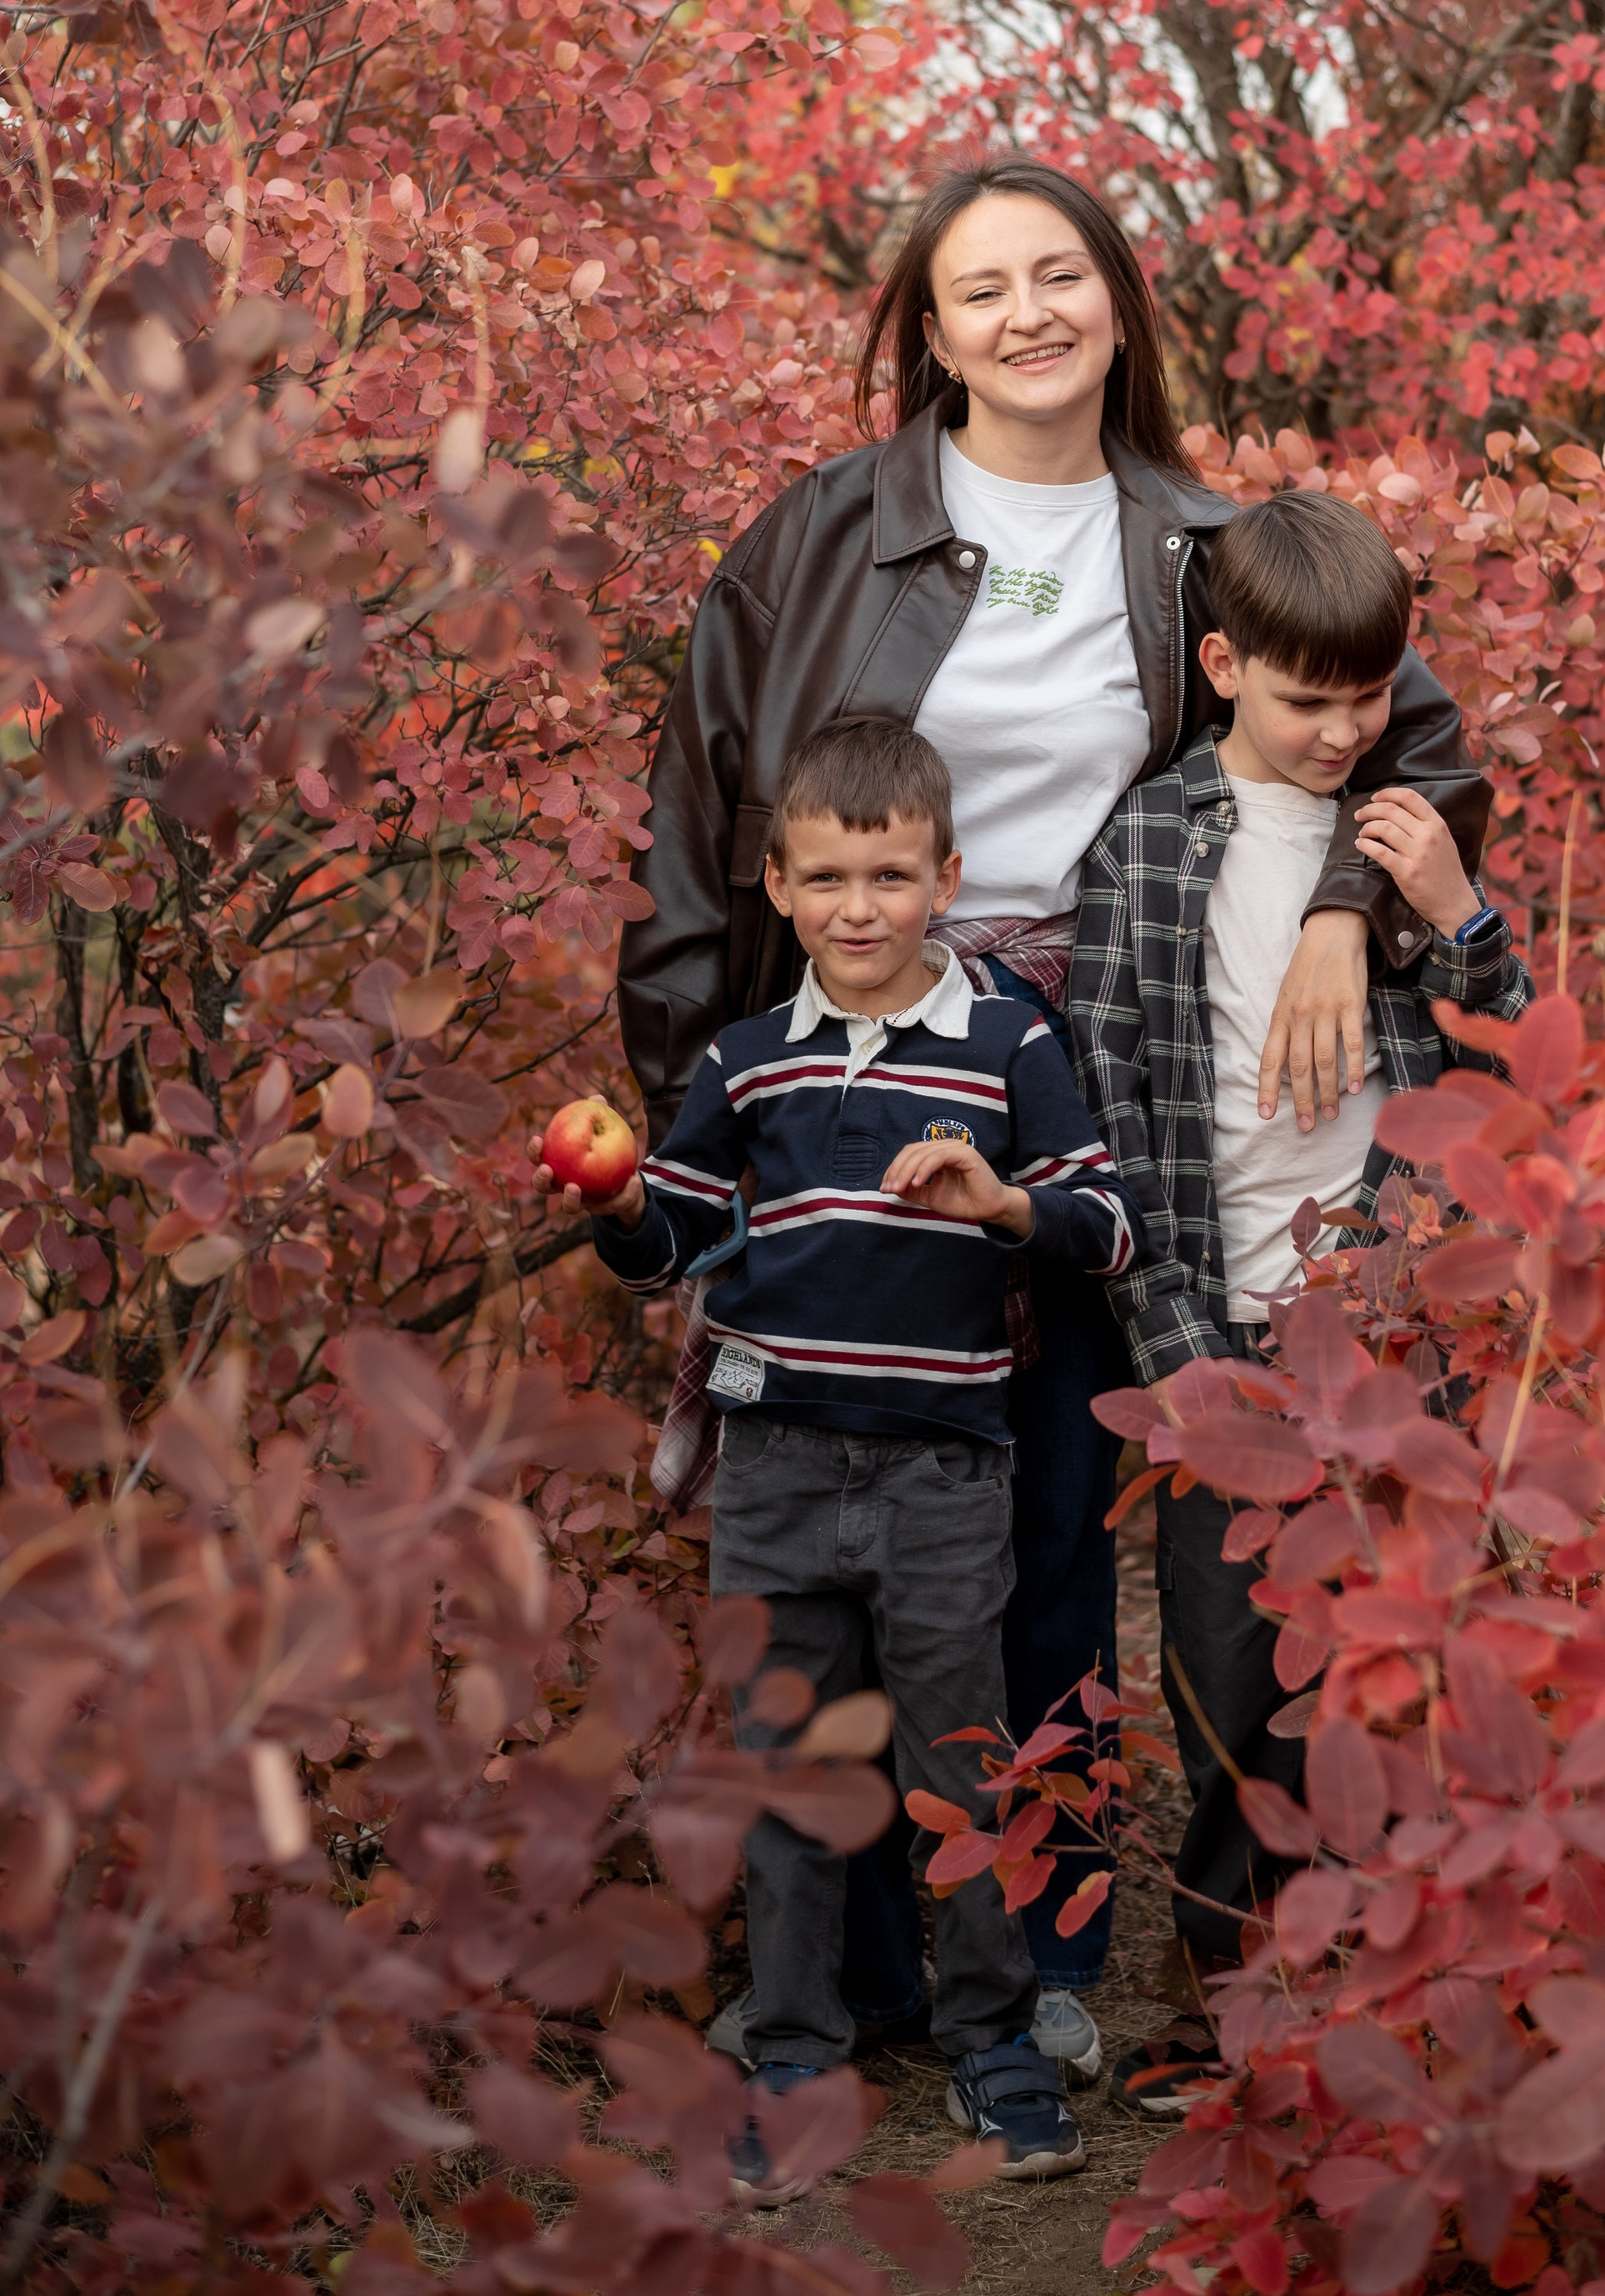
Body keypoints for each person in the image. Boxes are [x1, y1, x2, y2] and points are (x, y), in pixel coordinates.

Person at [618, 151, 1489, 2076]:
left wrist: (1339, 913)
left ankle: (1039, 1956)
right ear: (929, 334)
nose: (1027, 314)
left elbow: (1403, 742)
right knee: (846, 1506)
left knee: (1048, 1521)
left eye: (1059, 275)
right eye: (980, 288)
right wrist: (695, 1145)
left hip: (1099, 1063)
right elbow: (693, 837)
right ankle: (848, 1972)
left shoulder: (1198, 540)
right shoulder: (815, 542)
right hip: (853, 1041)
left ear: (1115, 300)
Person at [554, 716, 1147, 2198]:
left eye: (890, 876)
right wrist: (619, 1204)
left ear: (947, 878)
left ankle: (993, 2041)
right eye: (825, 878)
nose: (859, 908)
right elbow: (677, 1238)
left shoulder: (1008, 1043)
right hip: (777, 1466)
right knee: (786, 1769)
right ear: (777, 885)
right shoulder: (748, 1061)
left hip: (945, 1472)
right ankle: (797, 2054)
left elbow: (1106, 1223)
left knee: (964, 1766)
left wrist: (1000, 1205)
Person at [1068, 493, 1535, 2116]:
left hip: (1396, 1326)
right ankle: (1228, 2009)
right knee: (1233, 1684)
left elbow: (1506, 1045)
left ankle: (1392, 1999)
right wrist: (1180, 1354)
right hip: (1229, 1331)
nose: (1343, 732)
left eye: (1370, 697)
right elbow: (1114, 1113)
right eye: (1305, 699)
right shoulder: (1145, 845)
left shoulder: (1397, 833)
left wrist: (1458, 909)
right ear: (1222, 667)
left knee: (1393, 1672)